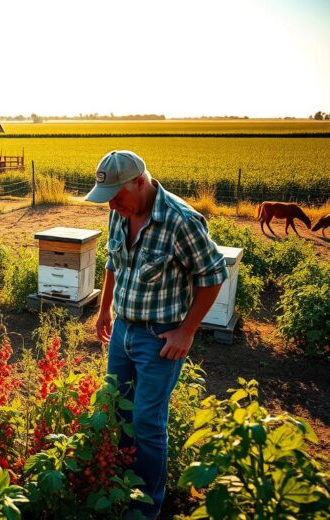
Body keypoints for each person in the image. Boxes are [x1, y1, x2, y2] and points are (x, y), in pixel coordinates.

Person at [86, 150, 227, 519]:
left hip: (160, 340)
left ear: (139, 181)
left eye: (117, 195)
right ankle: (121, 484)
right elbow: (113, 261)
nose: (113, 205)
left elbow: (213, 275)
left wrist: (187, 331)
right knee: (118, 411)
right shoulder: (120, 211)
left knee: (147, 422)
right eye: (108, 199)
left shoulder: (180, 220)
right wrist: (104, 309)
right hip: (122, 332)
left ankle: (146, 506)